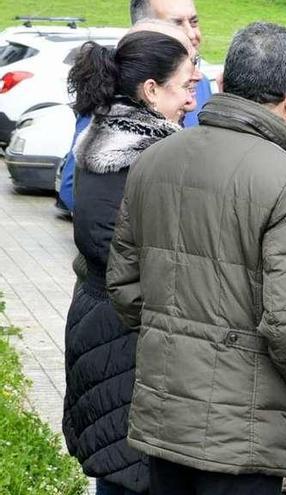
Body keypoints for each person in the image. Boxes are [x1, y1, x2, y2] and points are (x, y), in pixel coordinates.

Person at [106, 22, 286, 494]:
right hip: (244, 432)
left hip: (165, 416)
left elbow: (124, 286)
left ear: (225, 84)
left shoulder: (153, 158)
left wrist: (171, 341)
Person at [62, 29, 198, 495]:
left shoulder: (106, 139)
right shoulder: (147, 157)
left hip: (106, 322)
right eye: (185, 86)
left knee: (120, 467)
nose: (191, 99)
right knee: (129, 472)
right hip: (125, 334)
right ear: (151, 90)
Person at [57, 0, 209, 214]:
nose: (191, 33)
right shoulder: (112, 88)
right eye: (177, 23)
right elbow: (74, 190)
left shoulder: (202, 84)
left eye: (193, 21)